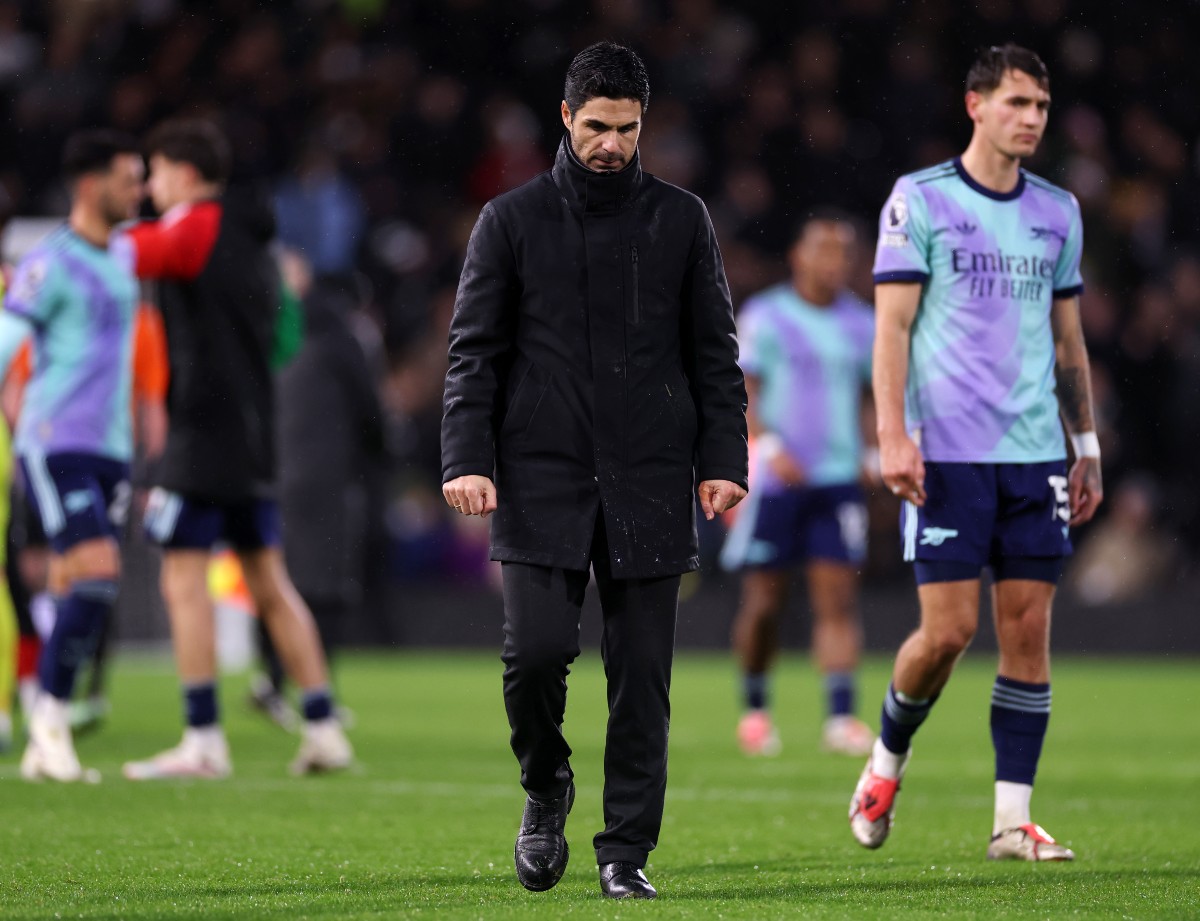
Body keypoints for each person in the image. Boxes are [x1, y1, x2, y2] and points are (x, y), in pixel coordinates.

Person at [441, 42, 747, 900]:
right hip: (541, 474)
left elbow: (714, 355)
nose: (612, 142)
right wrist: (466, 457)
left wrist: (725, 460)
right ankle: (546, 785)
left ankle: (624, 852)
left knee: (641, 679)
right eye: (598, 126)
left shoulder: (682, 220)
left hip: (650, 475)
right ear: (567, 119)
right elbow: (473, 355)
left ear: (643, 125)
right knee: (534, 657)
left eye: (628, 128)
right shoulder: (509, 220)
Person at [848, 44, 1103, 861]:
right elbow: (891, 327)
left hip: (1033, 455)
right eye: (1016, 103)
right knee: (948, 633)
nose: (1030, 119)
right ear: (975, 105)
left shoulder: (1058, 211)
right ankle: (885, 762)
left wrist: (1085, 444)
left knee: (1028, 630)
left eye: (1040, 107)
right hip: (949, 452)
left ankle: (1010, 822)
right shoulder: (919, 201)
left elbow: (1068, 340)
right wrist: (892, 433)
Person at [120, 118, 352, 780]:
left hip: (200, 437)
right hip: (253, 436)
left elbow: (134, 255)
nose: (149, 187)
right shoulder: (261, 244)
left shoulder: (195, 224)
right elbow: (283, 338)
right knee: (270, 583)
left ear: (186, 173)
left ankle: (202, 738)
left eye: (156, 172)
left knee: (182, 579)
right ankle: (322, 724)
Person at [0, 129, 144, 781]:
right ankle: (50, 719)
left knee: (70, 580)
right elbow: (6, 340)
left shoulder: (125, 255)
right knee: (97, 572)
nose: (139, 189)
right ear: (91, 185)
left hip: (109, 445)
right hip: (56, 441)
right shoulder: (49, 261)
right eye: (128, 178)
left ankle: (41, 740)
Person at [720, 210, 876, 758]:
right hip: (777, 481)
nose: (836, 263)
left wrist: (871, 450)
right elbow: (743, 392)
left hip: (836, 480)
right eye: (825, 250)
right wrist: (768, 447)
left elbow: (869, 397)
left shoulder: (863, 323)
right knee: (765, 601)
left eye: (844, 253)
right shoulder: (768, 316)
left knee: (837, 599)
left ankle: (840, 717)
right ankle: (756, 709)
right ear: (799, 257)